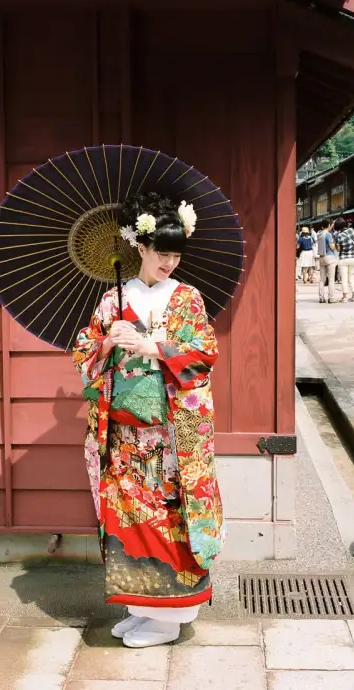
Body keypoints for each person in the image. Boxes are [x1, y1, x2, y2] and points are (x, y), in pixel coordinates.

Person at [72, 192, 223, 648]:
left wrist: (155, 348)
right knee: (127, 518)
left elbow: (205, 354)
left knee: (168, 517)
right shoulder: (112, 300)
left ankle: (168, 617)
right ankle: (141, 607)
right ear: (140, 248)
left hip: (170, 437)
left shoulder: (188, 300)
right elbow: (83, 352)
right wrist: (106, 343)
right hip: (123, 435)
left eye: (177, 254)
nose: (170, 263)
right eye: (162, 254)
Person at [334, 217, 354, 302]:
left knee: (344, 278)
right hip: (353, 258)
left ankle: (344, 297)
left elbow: (339, 249)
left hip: (343, 258)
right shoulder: (352, 230)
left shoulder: (338, 236)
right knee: (351, 277)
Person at [317, 220, 339, 303]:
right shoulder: (328, 234)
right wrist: (336, 246)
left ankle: (321, 297)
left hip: (322, 257)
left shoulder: (319, 234)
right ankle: (331, 298)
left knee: (322, 279)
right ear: (329, 226)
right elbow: (331, 246)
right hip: (329, 257)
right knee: (331, 279)